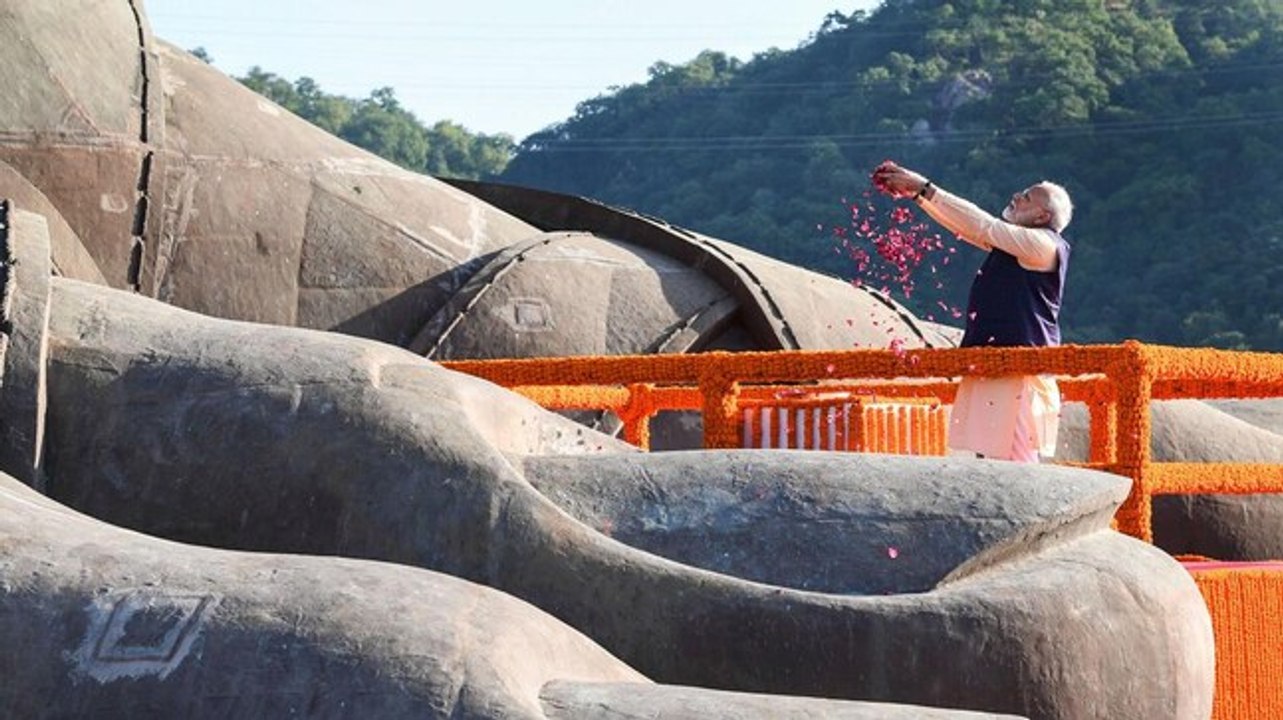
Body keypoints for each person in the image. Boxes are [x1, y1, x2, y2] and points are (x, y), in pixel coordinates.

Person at [871, 160, 1073, 462]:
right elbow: (969, 228)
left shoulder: (1042, 244)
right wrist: (919, 194)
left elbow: (983, 226)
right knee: (991, 458)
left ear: (1042, 216)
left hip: (1019, 371)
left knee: (1017, 465)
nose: (1016, 197)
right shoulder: (1015, 244)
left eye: (1027, 198)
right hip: (995, 364)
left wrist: (923, 187)